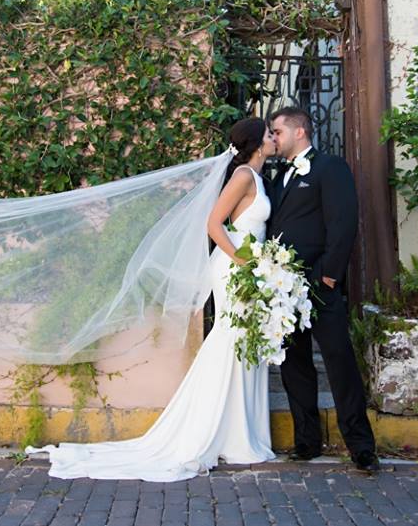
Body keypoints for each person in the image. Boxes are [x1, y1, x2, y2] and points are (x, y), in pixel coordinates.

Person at [27, 117, 279, 480]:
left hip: (250, 266)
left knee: (243, 342)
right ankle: (225, 434)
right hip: (235, 267)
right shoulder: (242, 176)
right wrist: (241, 259)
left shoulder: (256, 178)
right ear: (256, 143)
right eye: (270, 134)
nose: (274, 138)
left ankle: (243, 433)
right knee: (232, 339)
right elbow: (213, 223)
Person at [268, 106, 379, 473]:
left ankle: (361, 446)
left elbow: (343, 222)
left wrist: (329, 277)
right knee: (294, 365)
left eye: (278, 132)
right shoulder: (280, 174)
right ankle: (307, 441)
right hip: (284, 288)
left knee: (339, 361)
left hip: (318, 285)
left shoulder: (330, 167)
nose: (274, 138)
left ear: (299, 132)